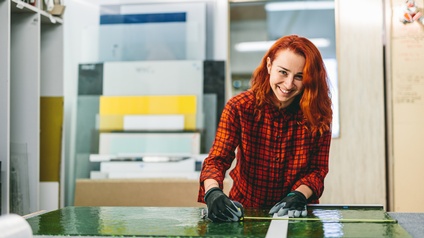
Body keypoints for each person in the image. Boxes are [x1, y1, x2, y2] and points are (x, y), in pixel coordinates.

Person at [197, 34, 333, 222]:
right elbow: (216, 160)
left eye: (299, 76)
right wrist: (212, 192)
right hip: (247, 211)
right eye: (283, 72)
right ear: (269, 65)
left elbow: (317, 170)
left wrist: (298, 195)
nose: (288, 84)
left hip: (296, 213)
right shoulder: (239, 107)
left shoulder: (318, 113)